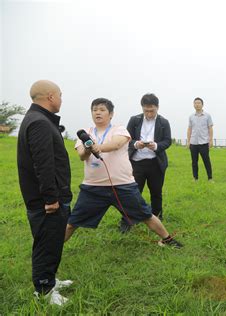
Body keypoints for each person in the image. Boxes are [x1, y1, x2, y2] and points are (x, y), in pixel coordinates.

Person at [65, 98, 182, 249]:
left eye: (102, 110)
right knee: (72, 223)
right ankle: (52, 249)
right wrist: (88, 148)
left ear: (111, 114)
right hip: (93, 187)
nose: (97, 113)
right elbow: (82, 155)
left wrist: (97, 147)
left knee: (146, 215)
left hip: (122, 185)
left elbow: (116, 144)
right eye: (94, 110)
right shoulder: (85, 134)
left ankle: (167, 239)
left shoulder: (119, 130)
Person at [17, 80, 73, 305]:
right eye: (60, 94)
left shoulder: (38, 119)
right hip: (47, 200)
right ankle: (44, 290)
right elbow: (43, 164)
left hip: (49, 197)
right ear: (50, 97)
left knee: (52, 241)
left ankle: (49, 279)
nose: (61, 98)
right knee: (46, 244)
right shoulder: (39, 122)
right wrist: (51, 198)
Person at [118, 93, 171, 233]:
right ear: (142, 108)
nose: (149, 113)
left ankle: (157, 218)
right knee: (133, 193)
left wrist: (157, 146)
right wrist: (136, 144)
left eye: (152, 110)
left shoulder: (163, 122)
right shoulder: (134, 120)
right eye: (146, 110)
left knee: (156, 193)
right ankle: (127, 221)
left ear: (157, 108)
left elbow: (167, 140)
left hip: (155, 163)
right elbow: (127, 138)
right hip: (137, 163)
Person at [187, 97, 213, 181]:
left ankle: (210, 178)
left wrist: (211, 140)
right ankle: (195, 178)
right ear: (193, 105)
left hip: (204, 142)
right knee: (194, 162)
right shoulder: (191, 116)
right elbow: (189, 129)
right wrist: (188, 141)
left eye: (199, 103)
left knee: (206, 161)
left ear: (202, 105)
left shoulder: (207, 116)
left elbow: (210, 128)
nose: (197, 104)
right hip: (193, 142)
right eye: (195, 103)